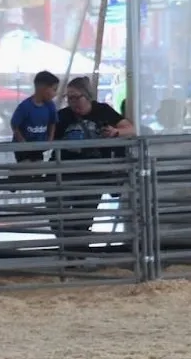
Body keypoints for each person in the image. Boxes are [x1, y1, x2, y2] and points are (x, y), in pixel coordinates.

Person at [53, 76, 134, 246]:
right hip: (64, 174)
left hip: (93, 174)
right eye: (69, 97)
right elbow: (46, 139)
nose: (73, 102)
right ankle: (71, 252)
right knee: (57, 216)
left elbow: (131, 129)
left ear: (88, 96)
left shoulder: (103, 111)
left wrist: (115, 132)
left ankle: (77, 256)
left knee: (84, 218)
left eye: (76, 97)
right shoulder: (61, 116)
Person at [11, 70, 59, 163]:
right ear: (43, 88)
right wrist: (22, 142)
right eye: (54, 89)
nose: (55, 93)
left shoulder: (50, 106)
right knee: (26, 168)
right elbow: (14, 124)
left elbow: (53, 123)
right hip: (23, 149)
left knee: (38, 168)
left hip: (40, 146)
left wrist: (50, 140)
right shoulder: (25, 106)